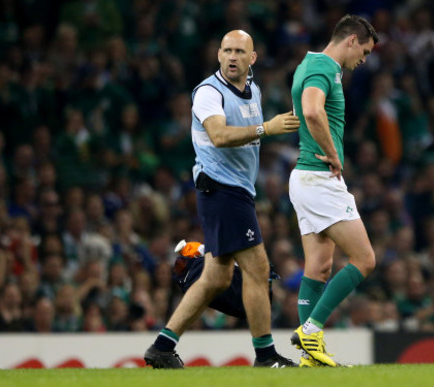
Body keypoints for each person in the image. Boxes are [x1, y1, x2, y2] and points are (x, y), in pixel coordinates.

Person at [144, 30, 300, 369]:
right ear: (218, 55)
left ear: (252, 58)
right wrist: (266, 129)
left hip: (238, 192)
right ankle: (265, 355)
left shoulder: (253, 90)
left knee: (217, 277)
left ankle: (162, 347)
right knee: (258, 270)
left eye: (240, 51)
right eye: (227, 50)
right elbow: (217, 134)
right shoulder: (207, 92)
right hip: (220, 189)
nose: (233, 57)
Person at [288, 15, 378, 367]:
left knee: (319, 268)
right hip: (319, 178)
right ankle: (311, 329)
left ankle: (309, 355)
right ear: (352, 40)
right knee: (365, 259)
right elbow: (311, 111)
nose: (364, 60)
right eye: (366, 51)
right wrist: (333, 154)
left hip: (304, 179)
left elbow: (300, 110)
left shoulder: (307, 64)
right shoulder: (324, 67)